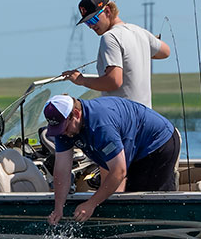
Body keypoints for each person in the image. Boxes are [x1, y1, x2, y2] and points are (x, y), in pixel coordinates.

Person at [44, 95, 180, 225]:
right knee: (122, 197)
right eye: (57, 129)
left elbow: (119, 171)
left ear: (76, 114)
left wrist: (91, 203)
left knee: (141, 201)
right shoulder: (63, 130)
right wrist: (58, 207)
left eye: (64, 127)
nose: (63, 133)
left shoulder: (101, 126)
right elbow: (61, 170)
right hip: (129, 145)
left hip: (157, 143)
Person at [62, 0, 170, 108]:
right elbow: (165, 51)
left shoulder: (109, 37)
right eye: (87, 22)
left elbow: (114, 81)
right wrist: (142, 44)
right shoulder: (139, 32)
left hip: (124, 118)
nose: (91, 26)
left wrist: (82, 80)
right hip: (146, 116)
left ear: (107, 11)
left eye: (93, 19)